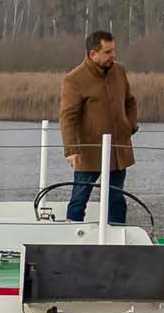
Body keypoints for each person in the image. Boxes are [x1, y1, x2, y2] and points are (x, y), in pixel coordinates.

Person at [55, 29, 140, 227]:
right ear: (93, 54)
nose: (113, 55)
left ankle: (116, 240)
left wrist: (130, 125)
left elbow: (130, 102)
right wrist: (71, 150)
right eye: (108, 52)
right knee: (79, 198)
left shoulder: (119, 71)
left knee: (116, 198)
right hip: (89, 151)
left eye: (113, 51)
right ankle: (72, 238)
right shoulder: (74, 79)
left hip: (119, 149)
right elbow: (68, 117)